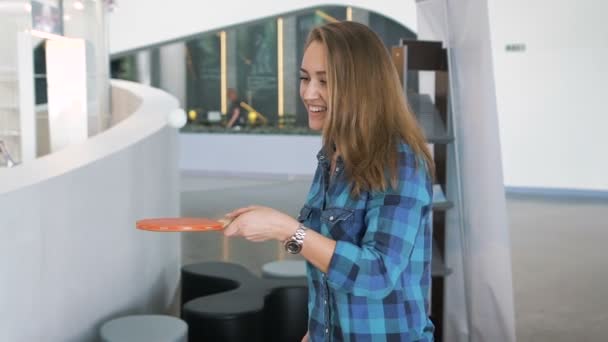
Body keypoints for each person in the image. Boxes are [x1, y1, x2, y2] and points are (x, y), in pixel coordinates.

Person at [223, 21, 435, 341]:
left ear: (363, 86)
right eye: (305, 78)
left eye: (325, 81)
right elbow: (328, 258)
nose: (309, 93)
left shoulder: (399, 160)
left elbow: (378, 273)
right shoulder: (332, 155)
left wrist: (284, 228)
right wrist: (318, 330)